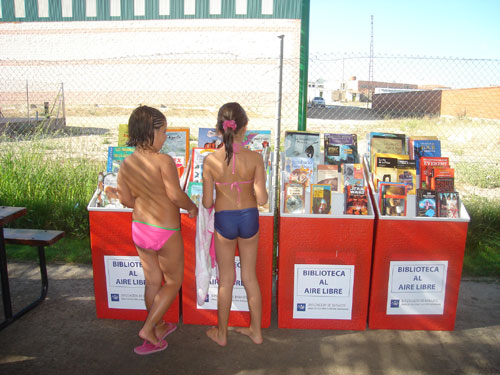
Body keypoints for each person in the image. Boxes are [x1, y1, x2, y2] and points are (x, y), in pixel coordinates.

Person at [117, 105, 198, 355]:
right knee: (173, 281)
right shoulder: (163, 161)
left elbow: (125, 199)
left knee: (152, 281)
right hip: (165, 230)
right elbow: (175, 195)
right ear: (149, 132)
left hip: (140, 229)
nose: (165, 137)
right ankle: (148, 327)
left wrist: (144, 202)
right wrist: (192, 207)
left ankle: (159, 324)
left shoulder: (127, 163)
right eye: (163, 132)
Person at [201, 102, 268, 346]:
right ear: (245, 128)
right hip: (249, 218)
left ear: (220, 129)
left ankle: (221, 334)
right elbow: (262, 199)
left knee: (226, 280)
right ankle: (256, 332)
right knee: (250, 277)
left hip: (224, 221)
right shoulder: (255, 158)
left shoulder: (210, 160)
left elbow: (208, 202)